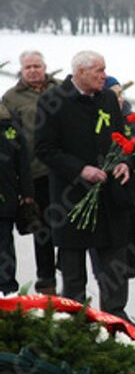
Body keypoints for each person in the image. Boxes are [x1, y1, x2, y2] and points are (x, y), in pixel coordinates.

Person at [35, 51, 135, 323]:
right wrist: (81, 170)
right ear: (79, 72)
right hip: (72, 198)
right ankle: (75, 318)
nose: (104, 75)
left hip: (108, 195)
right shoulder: (53, 101)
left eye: (104, 69)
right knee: (73, 266)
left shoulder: (108, 99)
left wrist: (123, 161)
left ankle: (116, 316)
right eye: (98, 71)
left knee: (114, 261)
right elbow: (45, 149)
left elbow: (121, 138)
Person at [2, 50, 59, 294]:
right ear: (21, 71)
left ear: (45, 67)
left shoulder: (60, 90)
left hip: (65, 171)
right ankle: (45, 277)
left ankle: (69, 270)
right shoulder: (12, 99)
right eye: (28, 67)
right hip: (36, 172)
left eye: (37, 66)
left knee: (68, 226)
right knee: (42, 227)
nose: (33, 70)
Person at [104, 76, 135, 279]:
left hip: (131, 190)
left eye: (121, 93)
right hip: (107, 188)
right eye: (115, 94)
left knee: (131, 240)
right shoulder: (101, 120)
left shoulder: (133, 122)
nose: (120, 98)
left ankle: (125, 277)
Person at [0, 102, 33, 294]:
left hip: (7, 198)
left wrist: (27, 195)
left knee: (4, 244)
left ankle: (6, 289)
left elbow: (24, 165)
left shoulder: (11, 130)